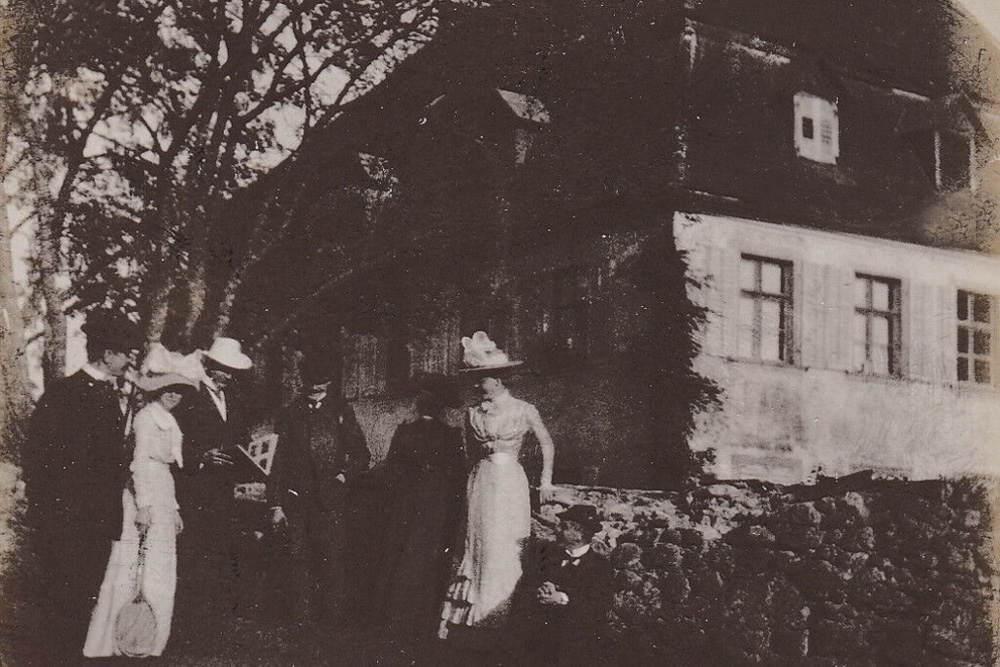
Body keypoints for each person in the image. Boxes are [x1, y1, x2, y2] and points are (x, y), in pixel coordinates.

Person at [21, 310, 143, 660]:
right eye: (126, 352)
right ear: (108, 355)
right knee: (64, 612)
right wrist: (49, 518)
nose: (130, 358)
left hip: (95, 525)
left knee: (81, 609)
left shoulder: (108, 394)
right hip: (65, 526)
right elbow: (36, 459)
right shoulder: (64, 394)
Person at [84, 346, 202, 657]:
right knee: (137, 564)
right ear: (156, 390)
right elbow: (139, 463)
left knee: (159, 566)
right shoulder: (147, 418)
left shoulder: (169, 420)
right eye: (167, 390)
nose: (173, 396)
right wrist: (145, 506)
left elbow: (166, 469)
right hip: (145, 494)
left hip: (162, 490)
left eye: (178, 391)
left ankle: (150, 639)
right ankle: (122, 637)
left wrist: (173, 509)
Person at [439, 332, 556, 637]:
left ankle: (500, 613)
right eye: (476, 380)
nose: (477, 385)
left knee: (503, 540)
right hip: (481, 480)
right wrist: (469, 480)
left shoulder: (523, 409)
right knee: (479, 540)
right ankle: (472, 612)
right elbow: (468, 452)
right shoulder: (473, 412)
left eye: (483, 379)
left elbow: (546, 443)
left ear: (500, 380)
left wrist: (545, 482)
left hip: (508, 481)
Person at [267, 350, 371, 630]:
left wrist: (341, 477)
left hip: (330, 501)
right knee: (297, 559)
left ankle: (331, 623)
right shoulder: (289, 414)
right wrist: (275, 504)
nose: (315, 388)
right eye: (310, 382)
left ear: (328, 383)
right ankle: (301, 621)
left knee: (331, 561)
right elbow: (275, 463)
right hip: (296, 500)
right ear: (302, 381)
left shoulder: (340, 411)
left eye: (321, 383)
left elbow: (361, 455)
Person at [375, 376, 465, 659]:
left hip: (406, 506)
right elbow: (459, 478)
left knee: (400, 557)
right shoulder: (450, 435)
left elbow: (390, 473)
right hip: (435, 509)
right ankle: (421, 621)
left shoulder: (406, 432)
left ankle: (394, 620)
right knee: (426, 561)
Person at [172, 337, 252, 634]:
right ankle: (186, 621)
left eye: (232, 372)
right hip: (194, 490)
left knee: (219, 552)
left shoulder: (234, 400)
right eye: (223, 370)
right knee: (192, 553)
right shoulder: (188, 396)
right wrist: (202, 458)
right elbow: (173, 444)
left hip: (223, 491)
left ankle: (212, 622)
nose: (228, 377)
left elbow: (240, 438)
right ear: (209, 365)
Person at [518, 505, 614, 667]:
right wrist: (541, 589)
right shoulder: (548, 556)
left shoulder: (600, 567)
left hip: (574, 647)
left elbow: (596, 606)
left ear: (578, 534)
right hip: (540, 643)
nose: (557, 530)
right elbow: (528, 585)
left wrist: (561, 598)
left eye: (564, 527)